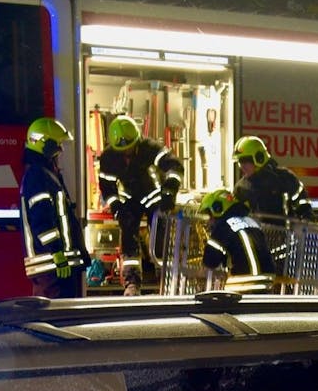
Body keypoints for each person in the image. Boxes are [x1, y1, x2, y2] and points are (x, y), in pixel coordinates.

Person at [96, 115, 182, 296]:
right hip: (129, 199)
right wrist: (116, 206)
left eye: (131, 148)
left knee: (161, 237)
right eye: (123, 151)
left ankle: (165, 280)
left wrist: (169, 191)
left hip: (154, 196)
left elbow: (174, 166)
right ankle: (132, 283)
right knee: (129, 237)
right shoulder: (109, 158)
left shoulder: (149, 148)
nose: (127, 154)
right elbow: (107, 187)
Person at [19, 117, 90, 299]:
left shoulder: (45, 174)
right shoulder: (37, 176)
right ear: (45, 144)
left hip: (56, 264)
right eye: (57, 144)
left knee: (64, 317)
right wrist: (57, 252)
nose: (60, 149)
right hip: (52, 266)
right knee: (56, 318)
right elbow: (41, 219)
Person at [199, 188, 276, 289]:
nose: (210, 221)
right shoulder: (251, 222)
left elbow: (210, 261)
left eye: (210, 215)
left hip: (243, 282)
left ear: (217, 209)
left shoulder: (223, 227)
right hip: (268, 281)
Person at [232, 135, 314, 220]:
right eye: (240, 162)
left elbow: (302, 202)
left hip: (284, 232)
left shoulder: (284, 178)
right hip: (255, 233)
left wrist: (306, 214)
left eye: (245, 161)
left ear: (259, 158)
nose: (242, 166)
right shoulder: (241, 188)